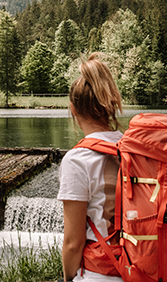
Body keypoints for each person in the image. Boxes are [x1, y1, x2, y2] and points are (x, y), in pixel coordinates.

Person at [57, 53, 124, 282]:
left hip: (101, 273)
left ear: (73, 109)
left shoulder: (77, 159)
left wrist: (67, 278)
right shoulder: (132, 148)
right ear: (110, 105)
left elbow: (73, 243)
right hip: (141, 268)